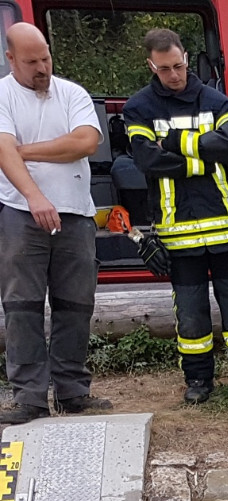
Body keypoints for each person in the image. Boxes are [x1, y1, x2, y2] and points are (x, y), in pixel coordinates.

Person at [124, 28, 228, 406]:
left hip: (226, 224)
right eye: (165, 69)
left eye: (178, 65)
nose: (174, 75)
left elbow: (226, 149)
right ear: (151, 66)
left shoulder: (217, 100)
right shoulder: (139, 108)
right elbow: (148, 161)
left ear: (186, 57)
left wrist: (173, 142)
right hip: (178, 230)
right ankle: (198, 379)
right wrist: (201, 157)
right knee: (190, 314)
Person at [0, 23, 108, 424]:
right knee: (22, 305)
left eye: (45, 58)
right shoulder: (3, 95)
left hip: (76, 212)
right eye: (31, 62)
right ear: (11, 59)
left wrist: (24, 150)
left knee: (76, 304)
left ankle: (73, 391)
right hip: (19, 212)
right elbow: (3, 152)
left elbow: (85, 142)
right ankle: (29, 397)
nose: (42, 67)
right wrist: (34, 196)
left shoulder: (72, 93)